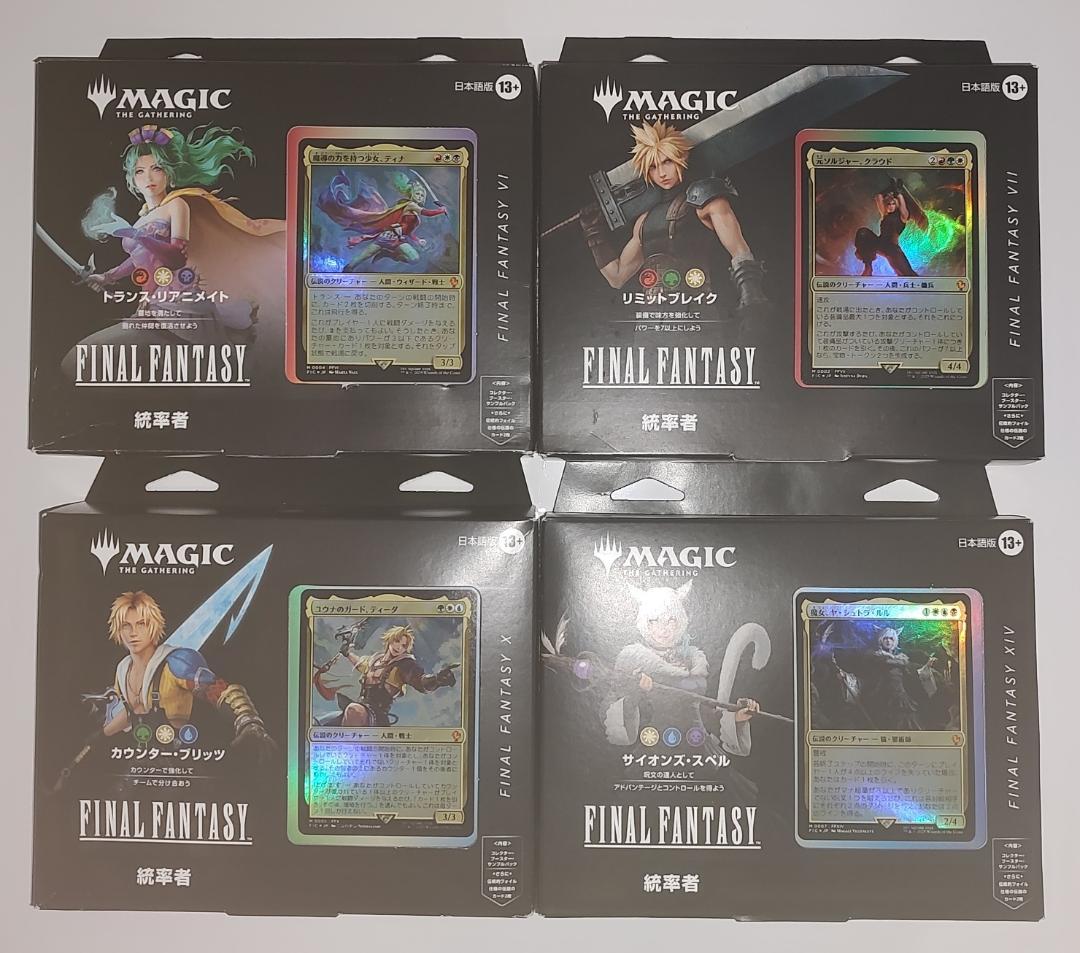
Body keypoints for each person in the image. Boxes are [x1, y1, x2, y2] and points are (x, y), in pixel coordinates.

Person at [64, 124, 285, 377]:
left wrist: (134, 234)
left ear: (168, 173)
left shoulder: (176, 205)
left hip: (181, 303)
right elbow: (137, 259)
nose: (148, 178)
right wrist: (107, 276)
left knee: (215, 368)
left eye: (156, 168)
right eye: (139, 171)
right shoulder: (141, 219)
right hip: (151, 303)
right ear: (132, 179)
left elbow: (176, 257)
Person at [579, 119, 767, 316]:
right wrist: (594, 234)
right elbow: (617, 277)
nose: (661, 173)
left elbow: (739, 250)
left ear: (681, 158)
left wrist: (752, 295)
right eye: (653, 167)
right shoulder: (644, 220)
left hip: (697, 311)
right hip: (651, 320)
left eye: (667, 162)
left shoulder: (705, 199)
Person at [313, 623, 457, 727]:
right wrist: (347, 653)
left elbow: (419, 680)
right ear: (390, 640)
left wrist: (436, 679)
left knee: (353, 710)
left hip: (377, 716)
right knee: (321, 722)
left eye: (403, 645)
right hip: (360, 707)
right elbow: (361, 664)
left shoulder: (405, 664)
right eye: (397, 641)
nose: (398, 647)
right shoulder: (375, 660)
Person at [853, 177, 928, 277]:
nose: (891, 206)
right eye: (889, 204)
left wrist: (897, 191)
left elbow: (901, 203)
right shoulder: (885, 214)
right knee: (863, 233)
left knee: (909, 275)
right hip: (880, 243)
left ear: (896, 205)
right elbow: (878, 196)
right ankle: (868, 267)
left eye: (893, 204)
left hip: (892, 249)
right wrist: (891, 187)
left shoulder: (903, 216)